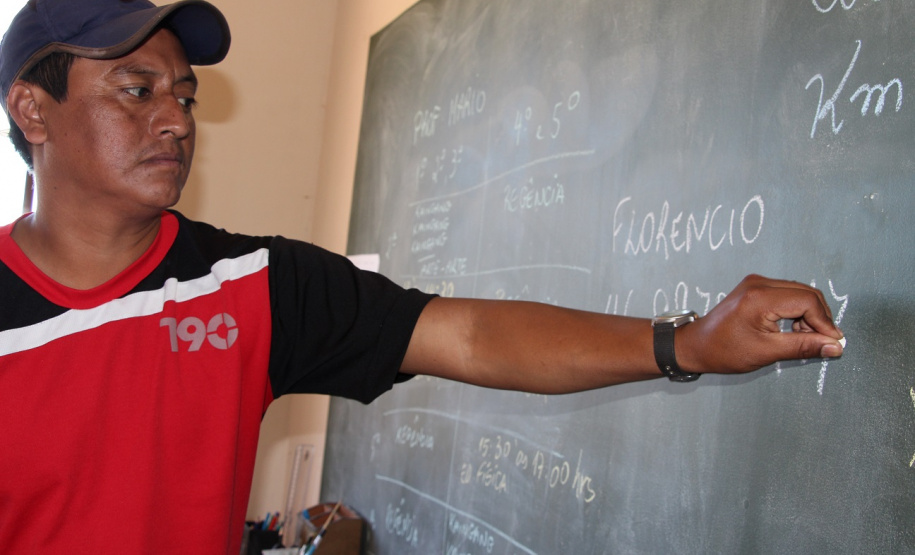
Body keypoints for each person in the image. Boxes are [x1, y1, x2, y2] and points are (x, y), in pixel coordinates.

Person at [0, 0, 844, 552]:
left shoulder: (251, 284)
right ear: (32, 110)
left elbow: (466, 333)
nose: (175, 121)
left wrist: (686, 341)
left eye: (184, 96)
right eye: (135, 89)